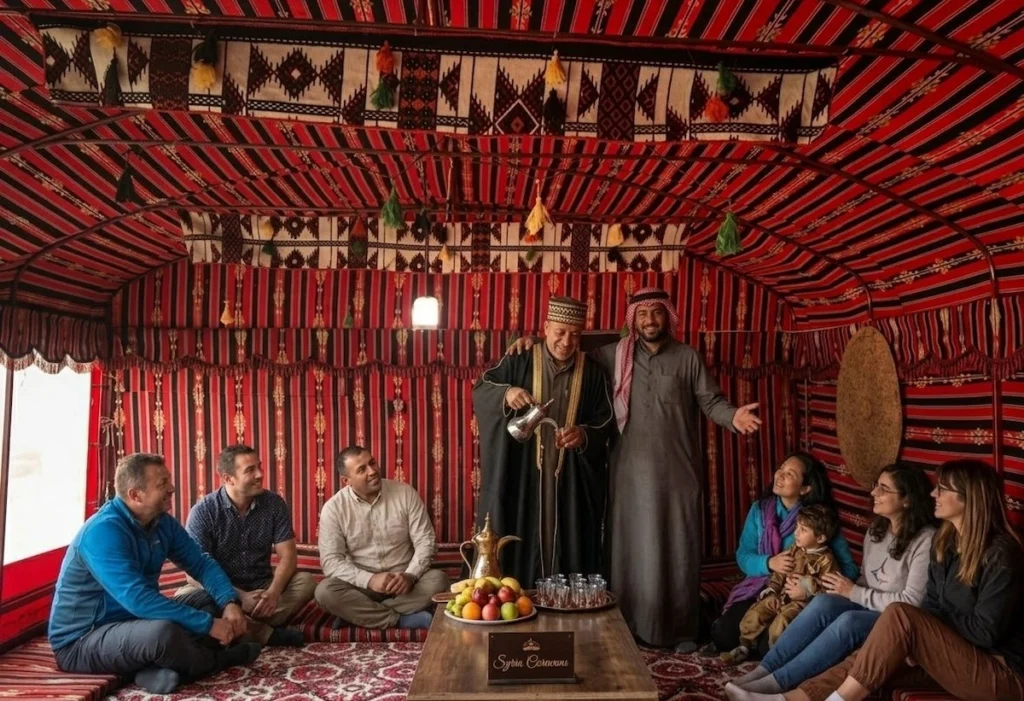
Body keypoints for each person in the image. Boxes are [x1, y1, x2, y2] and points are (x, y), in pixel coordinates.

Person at [507, 286, 761, 651]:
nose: (650, 321)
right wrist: (533, 340)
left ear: (667, 316)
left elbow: (711, 401)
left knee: (678, 550)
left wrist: (733, 417)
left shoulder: (687, 357)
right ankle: (625, 628)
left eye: (656, 313)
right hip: (628, 475)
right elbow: (568, 345)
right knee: (629, 552)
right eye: (642, 314)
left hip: (678, 475)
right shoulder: (614, 355)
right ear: (633, 320)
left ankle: (679, 631)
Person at [732, 459, 1024, 701]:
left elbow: (985, 632)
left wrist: (925, 633)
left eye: (943, 489)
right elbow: (933, 607)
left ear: (970, 497)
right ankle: (782, 696)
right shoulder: (945, 545)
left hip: (997, 670)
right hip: (947, 653)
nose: (934, 493)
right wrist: (923, 638)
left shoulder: (1001, 553)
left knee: (897, 616)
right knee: (864, 656)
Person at [48, 453, 261, 695]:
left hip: (135, 622)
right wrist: (207, 624)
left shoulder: (161, 522)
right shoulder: (102, 532)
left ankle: (151, 668)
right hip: (83, 640)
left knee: (209, 601)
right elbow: (139, 600)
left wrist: (229, 602)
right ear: (135, 495)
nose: (172, 488)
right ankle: (217, 661)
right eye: (162, 483)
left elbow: (201, 564)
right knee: (163, 634)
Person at [727, 464, 935, 697]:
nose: (873, 493)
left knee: (848, 621)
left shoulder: (925, 540)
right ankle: (760, 673)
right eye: (876, 486)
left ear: (907, 500)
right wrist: (839, 591)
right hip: (866, 602)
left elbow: (911, 602)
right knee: (824, 602)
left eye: (883, 489)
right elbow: (866, 579)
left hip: (895, 620)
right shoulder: (876, 531)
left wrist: (853, 592)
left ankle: (775, 684)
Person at [473, 295, 613, 586]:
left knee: (572, 542)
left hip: (571, 477)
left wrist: (584, 434)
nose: (566, 341)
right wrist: (506, 393)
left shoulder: (593, 372)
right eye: (560, 332)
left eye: (575, 334)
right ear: (546, 328)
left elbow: (605, 421)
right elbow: (482, 388)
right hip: (522, 474)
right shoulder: (520, 359)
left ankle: (567, 601)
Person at [706, 452, 859, 658]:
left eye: (790, 474)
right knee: (724, 635)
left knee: (768, 646)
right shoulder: (760, 510)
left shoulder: (817, 521)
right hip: (761, 589)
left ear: (805, 488)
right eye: (781, 469)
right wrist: (769, 563)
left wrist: (809, 587)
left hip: (799, 600)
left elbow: (849, 569)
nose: (780, 475)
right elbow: (743, 555)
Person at [177, 445, 315, 648]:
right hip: (221, 590)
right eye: (250, 470)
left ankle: (237, 625)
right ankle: (263, 632)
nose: (260, 474)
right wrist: (238, 597)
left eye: (259, 467)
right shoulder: (203, 512)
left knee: (306, 582)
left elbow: (288, 556)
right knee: (187, 597)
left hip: (262, 588)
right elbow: (193, 574)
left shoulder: (274, 504)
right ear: (228, 478)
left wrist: (273, 593)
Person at [315, 446, 448, 629]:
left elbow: (425, 541)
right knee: (325, 592)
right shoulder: (334, 509)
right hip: (362, 588)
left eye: (372, 463)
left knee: (439, 580)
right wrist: (370, 580)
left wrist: (410, 575)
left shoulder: (405, 493)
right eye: (362, 469)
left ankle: (359, 615)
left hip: (405, 585)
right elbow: (331, 562)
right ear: (347, 481)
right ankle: (400, 620)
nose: (372, 471)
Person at [723, 504, 840, 665]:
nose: (796, 532)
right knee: (758, 611)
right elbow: (780, 573)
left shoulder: (826, 560)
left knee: (782, 621)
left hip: (802, 605)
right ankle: (745, 646)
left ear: (820, 538)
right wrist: (772, 589)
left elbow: (830, 589)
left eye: (803, 530)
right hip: (781, 597)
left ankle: (776, 656)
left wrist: (807, 588)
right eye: (796, 527)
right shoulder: (794, 549)